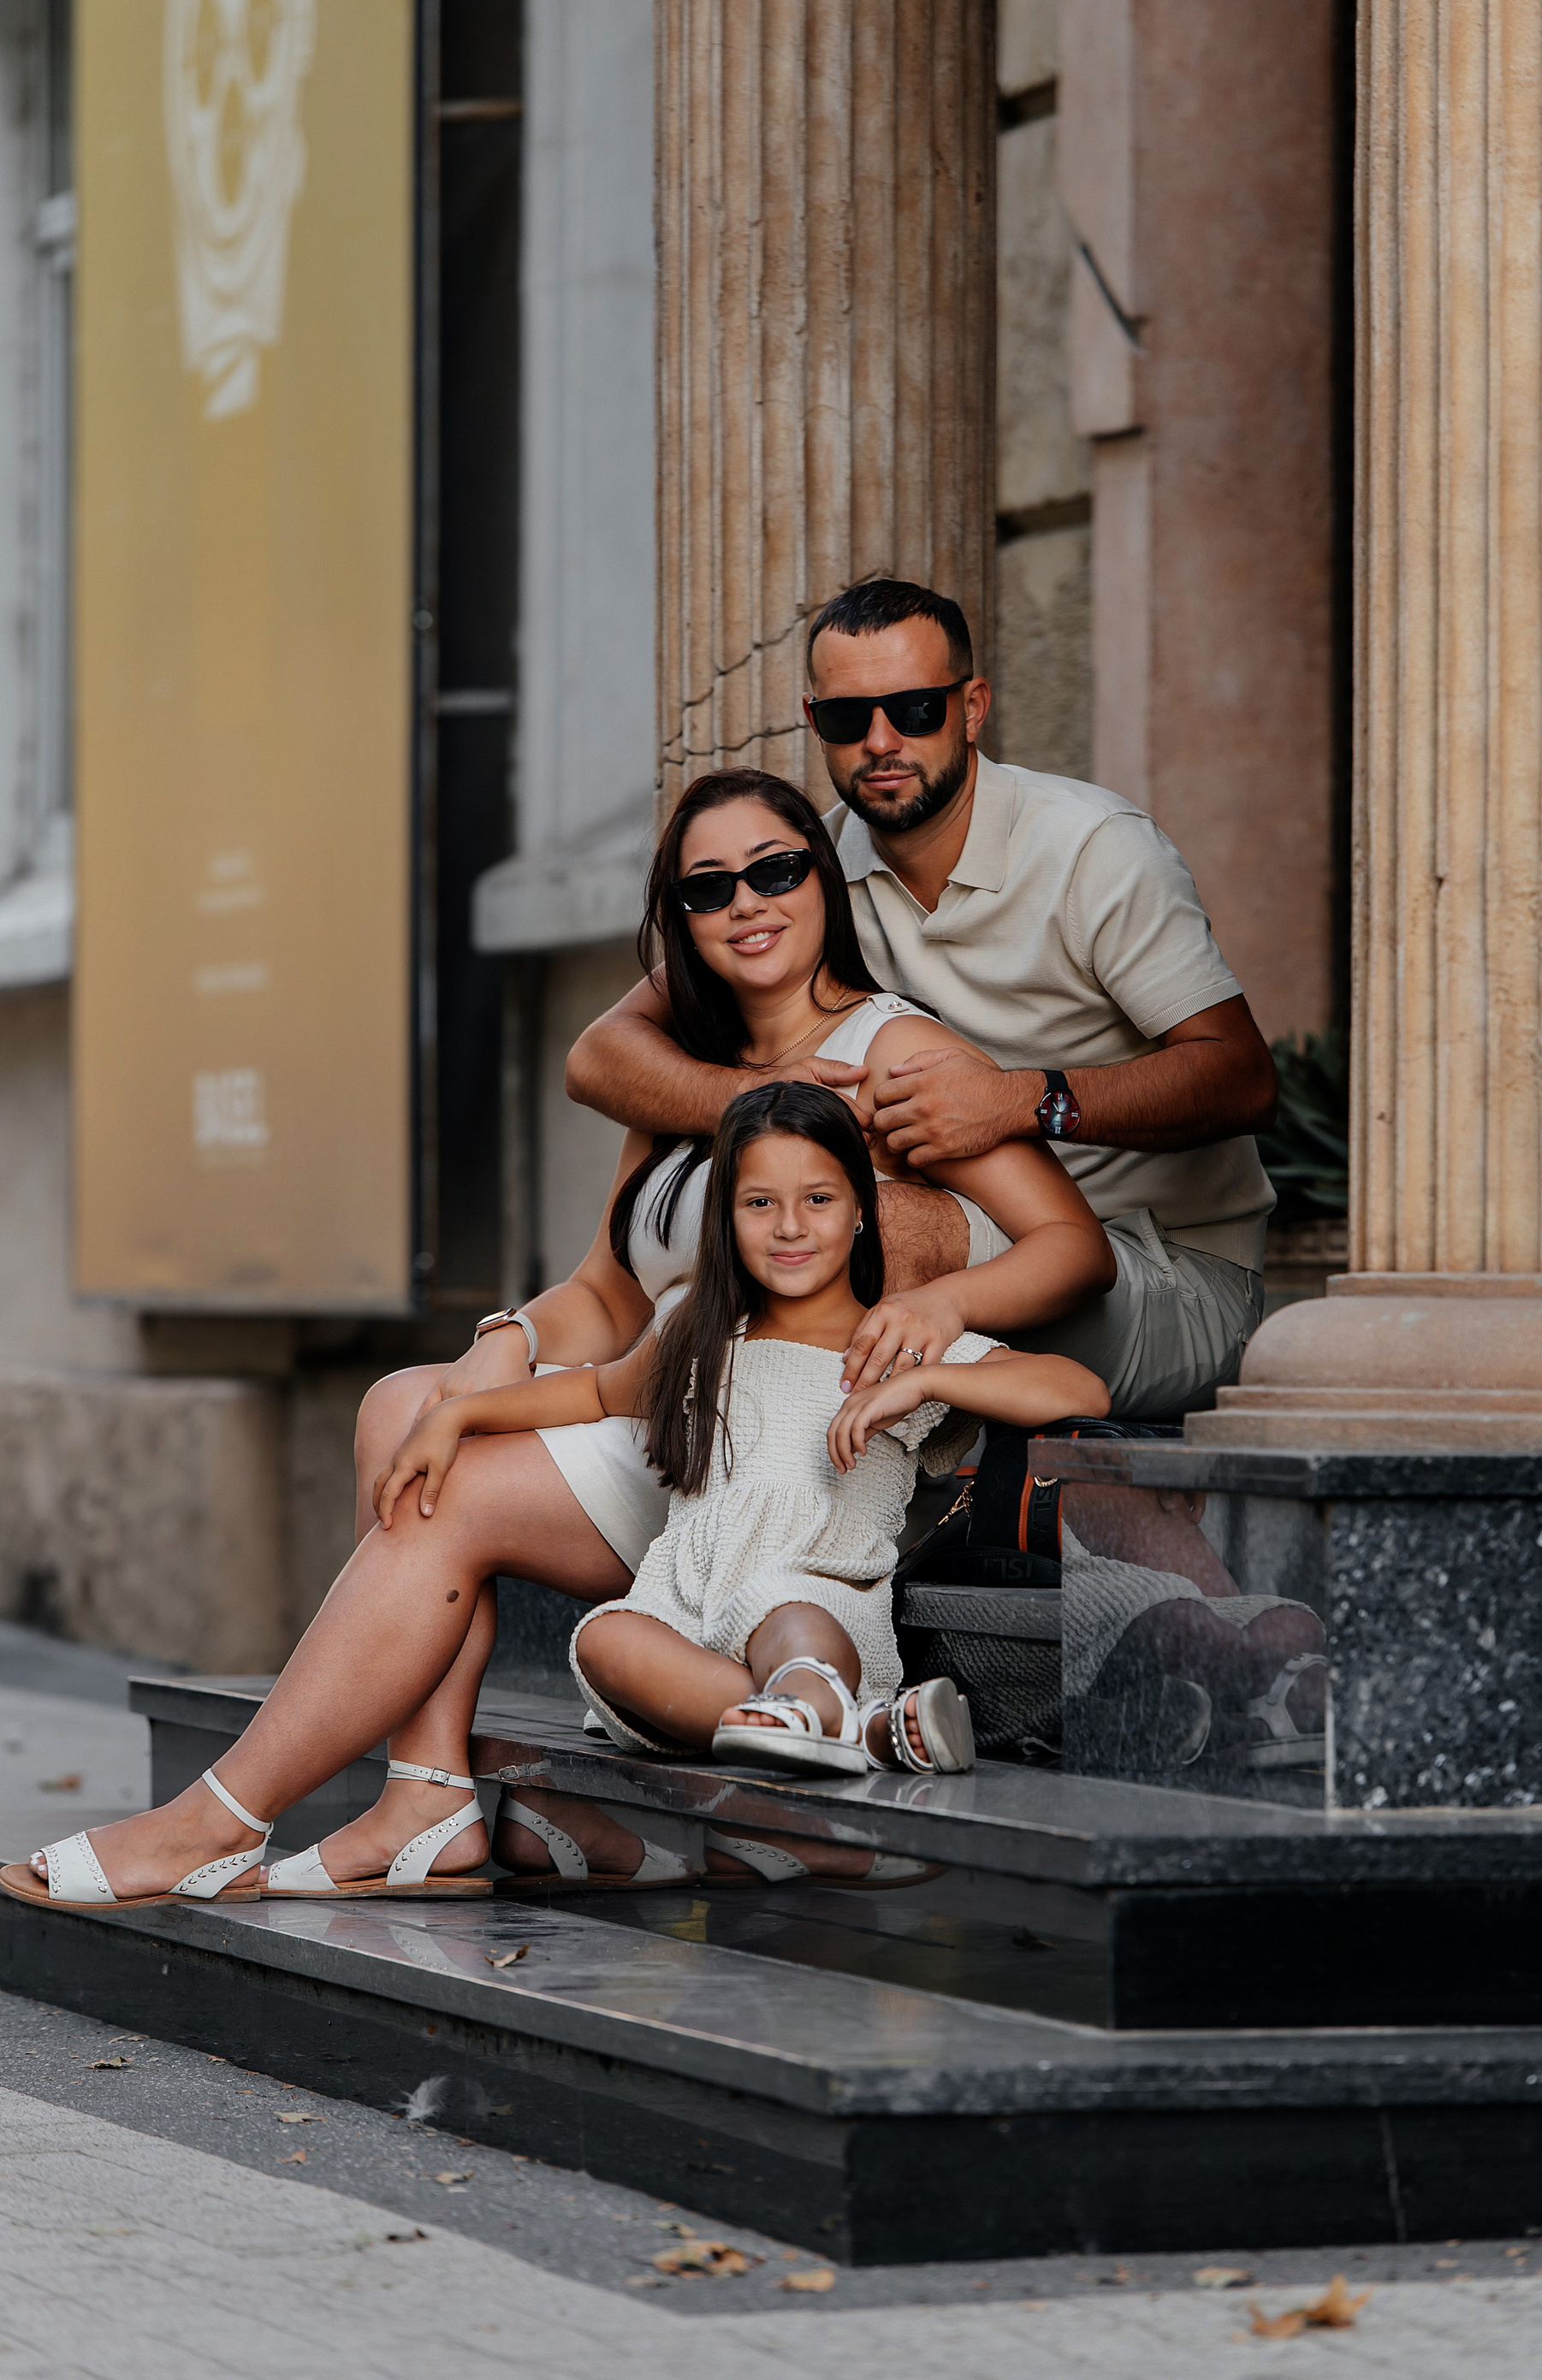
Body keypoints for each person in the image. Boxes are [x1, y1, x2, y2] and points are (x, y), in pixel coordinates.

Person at [0, 784, 1111, 1911]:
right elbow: (608, 1291)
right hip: (678, 1415)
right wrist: (511, 1337)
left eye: (776, 869)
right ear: (679, 917)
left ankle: (217, 1821)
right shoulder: (681, 1072)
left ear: (823, 879)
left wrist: (942, 1310)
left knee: (447, 1491)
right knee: (403, 1405)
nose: (748, 904)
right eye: (709, 887)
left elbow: (1073, 1248)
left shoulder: (896, 1049)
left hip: (807, 1458)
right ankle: (426, 1791)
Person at [569, 577, 1281, 1423]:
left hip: (1163, 1275)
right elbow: (600, 1056)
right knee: (798, 1215)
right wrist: (759, 1092)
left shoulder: (1093, 850)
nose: (881, 741)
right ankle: (732, 1475)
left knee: (880, 1224)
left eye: (914, 710)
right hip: (988, 1249)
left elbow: (1242, 1079)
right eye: (848, 718)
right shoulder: (805, 876)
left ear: (971, 709)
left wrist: (1021, 1102)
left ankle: (803, 1491)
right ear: (815, 722)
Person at [367, 1083, 1109, 1807]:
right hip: (689, 1603)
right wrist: (459, 1417)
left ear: (860, 1209)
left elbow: (1078, 1390)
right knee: (604, 1640)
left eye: (818, 1200)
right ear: (726, 1216)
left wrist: (922, 1384)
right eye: (760, 1203)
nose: (790, 1227)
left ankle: (809, 1706)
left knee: (782, 1607)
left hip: (818, 1592)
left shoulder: (893, 1347)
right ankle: (860, 1735)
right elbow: (593, 1392)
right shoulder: (702, 1337)